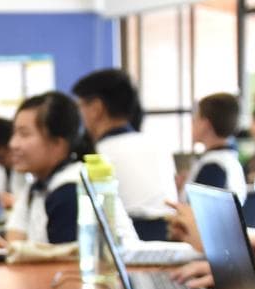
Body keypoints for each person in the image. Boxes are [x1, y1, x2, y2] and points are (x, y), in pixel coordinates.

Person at [0, 92, 136, 247]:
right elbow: (16, 243)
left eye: (24, 134)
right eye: (14, 133)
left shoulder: (72, 188)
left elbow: (64, 264)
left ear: (58, 143)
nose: (13, 144)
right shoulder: (35, 188)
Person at [72, 69, 177, 229]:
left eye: (81, 106)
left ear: (96, 108)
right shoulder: (158, 145)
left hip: (128, 244)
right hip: (173, 240)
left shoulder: (97, 156)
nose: (81, 115)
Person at [185, 93, 247, 201]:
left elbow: (197, 212)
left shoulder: (212, 166)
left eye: (196, 118)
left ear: (205, 124)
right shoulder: (231, 160)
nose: (192, 123)